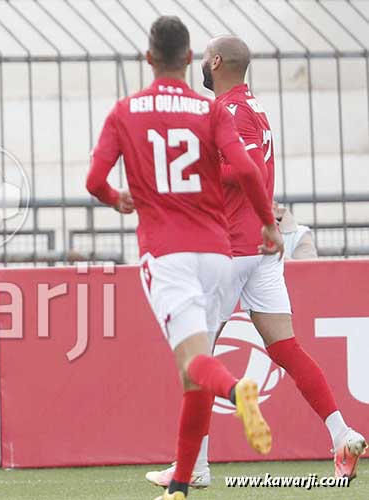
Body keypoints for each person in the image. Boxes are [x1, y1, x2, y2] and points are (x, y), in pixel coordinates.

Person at [146, 35, 365, 490]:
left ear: (217, 62)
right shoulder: (254, 108)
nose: (200, 66)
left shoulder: (228, 110)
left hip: (233, 249)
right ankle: (342, 434)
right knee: (284, 348)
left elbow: (244, 171)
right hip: (259, 249)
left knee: (198, 358)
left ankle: (194, 469)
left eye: (205, 59)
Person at [86, 17, 283, 500]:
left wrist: (117, 199)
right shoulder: (210, 108)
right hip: (218, 252)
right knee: (194, 367)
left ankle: (238, 392)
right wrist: (268, 224)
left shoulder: (125, 111)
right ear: (190, 58)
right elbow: (246, 170)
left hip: (167, 252)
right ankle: (180, 484)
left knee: (195, 364)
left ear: (149, 58)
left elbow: (94, 181)